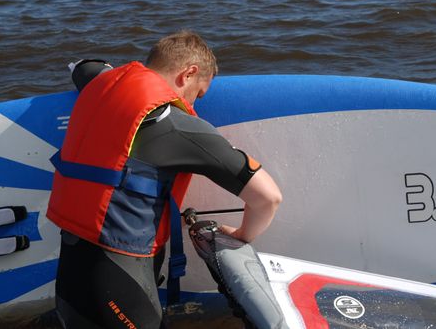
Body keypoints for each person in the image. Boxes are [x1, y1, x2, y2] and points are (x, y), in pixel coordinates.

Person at [47, 31, 282, 329]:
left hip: (70, 275)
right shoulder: (174, 124)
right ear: (189, 74)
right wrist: (242, 235)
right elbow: (268, 197)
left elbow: (86, 67)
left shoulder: (102, 84)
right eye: (199, 92)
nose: (195, 103)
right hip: (119, 284)